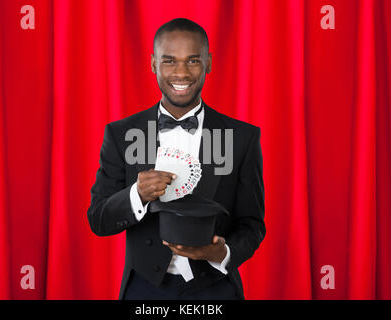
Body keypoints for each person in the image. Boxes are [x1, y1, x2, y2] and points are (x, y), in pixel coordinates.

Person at [87, 18, 265, 300]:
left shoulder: (241, 138)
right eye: (169, 61)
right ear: (153, 63)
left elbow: (252, 224)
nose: (181, 72)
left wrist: (224, 252)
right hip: (143, 289)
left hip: (215, 289)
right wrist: (137, 195)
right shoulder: (122, 134)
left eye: (192, 61)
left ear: (208, 63)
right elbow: (98, 219)